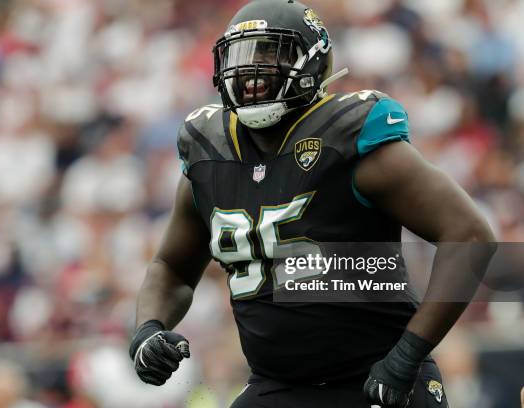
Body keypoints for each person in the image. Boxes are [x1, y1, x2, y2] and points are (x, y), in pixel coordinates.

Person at [129, 1, 495, 407]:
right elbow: (172, 267)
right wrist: (148, 328)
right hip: (277, 385)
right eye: (242, 55)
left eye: (271, 52)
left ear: (311, 62)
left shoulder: (347, 139)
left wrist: (407, 354)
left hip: (375, 377)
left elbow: (470, 233)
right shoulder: (208, 151)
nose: (251, 70)